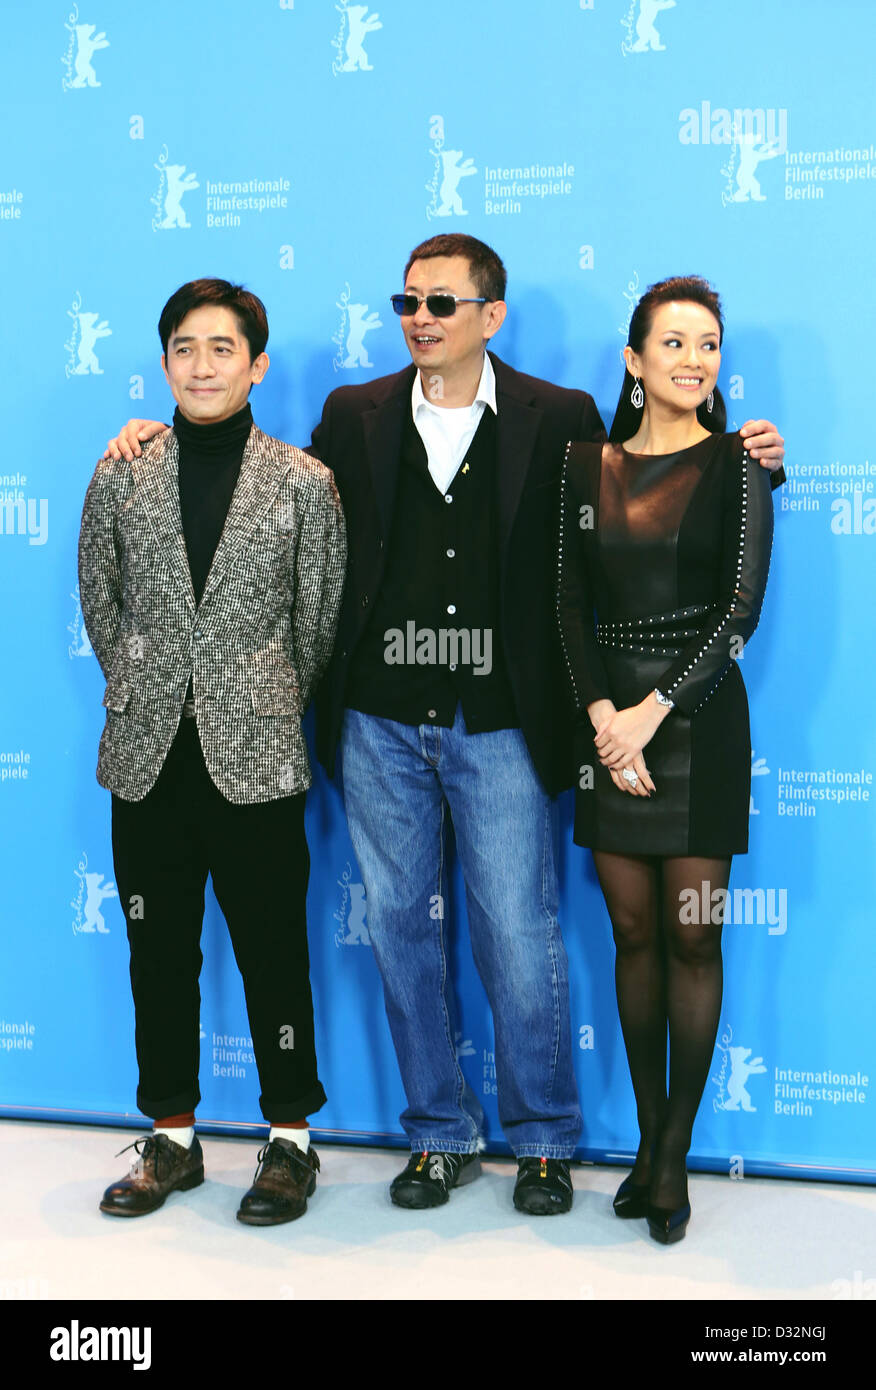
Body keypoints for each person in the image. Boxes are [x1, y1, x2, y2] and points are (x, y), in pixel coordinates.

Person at [103, 237, 785, 1216]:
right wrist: (151, 437)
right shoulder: (352, 415)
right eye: (409, 300)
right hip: (378, 721)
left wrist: (748, 446)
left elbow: (648, 486)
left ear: (490, 316)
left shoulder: (561, 419)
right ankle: (439, 1134)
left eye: (444, 302)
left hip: (506, 719)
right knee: (400, 933)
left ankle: (545, 1141)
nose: (422, 316)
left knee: (518, 931)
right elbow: (266, 482)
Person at [79, 278, 346, 1225]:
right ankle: (174, 1137)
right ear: (164, 365)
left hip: (259, 754)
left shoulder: (305, 484)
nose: (202, 364)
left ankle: (289, 1143)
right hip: (147, 751)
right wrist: (152, 682)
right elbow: (100, 601)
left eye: (222, 348)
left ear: (257, 365)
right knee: (158, 953)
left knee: (275, 950)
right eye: (184, 348)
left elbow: (316, 628)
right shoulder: (122, 471)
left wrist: (256, 695)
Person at [557, 275, 776, 1243]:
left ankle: (673, 1155)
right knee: (633, 939)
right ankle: (647, 1139)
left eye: (710, 344)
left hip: (698, 732)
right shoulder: (581, 467)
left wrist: (651, 714)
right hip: (610, 733)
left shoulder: (741, 466)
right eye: (675, 342)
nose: (695, 359)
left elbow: (739, 612)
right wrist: (607, 718)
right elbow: (565, 610)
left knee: (694, 939)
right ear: (635, 359)